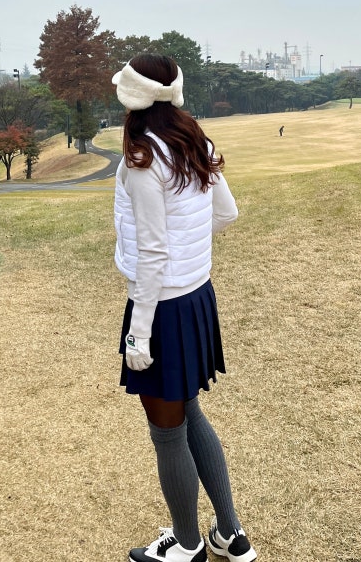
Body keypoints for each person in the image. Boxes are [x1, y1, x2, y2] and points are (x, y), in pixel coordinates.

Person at [112, 54, 257, 562]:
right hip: (196, 297)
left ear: (132, 97)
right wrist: (188, 248)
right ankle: (230, 534)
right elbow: (227, 213)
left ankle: (188, 544)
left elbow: (153, 254)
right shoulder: (196, 140)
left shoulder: (142, 158)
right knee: (189, 409)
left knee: (168, 432)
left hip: (162, 308)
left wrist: (138, 334)